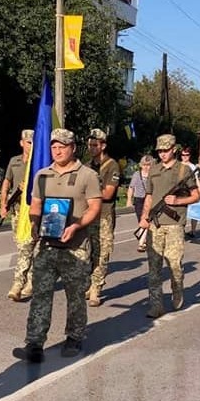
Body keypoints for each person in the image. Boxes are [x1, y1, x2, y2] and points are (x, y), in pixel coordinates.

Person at [14, 129, 101, 363]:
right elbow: (36, 205)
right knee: (41, 294)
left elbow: (94, 207)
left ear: (73, 147)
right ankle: (34, 343)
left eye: (62, 145)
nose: (57, 150)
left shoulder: (87, 175)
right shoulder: (42, 175)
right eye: (54, 146)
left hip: (76, 245)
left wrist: (76, 225)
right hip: (47, 245)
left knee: (75, 296)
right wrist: (34, 224)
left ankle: (74, 336)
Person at [138, 134, 200, 318]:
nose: (163, 154)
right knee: (154, 266)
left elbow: (196, 196)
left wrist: (178, 200)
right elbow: (149, 196)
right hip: (154, 225)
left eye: (166, 150)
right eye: (160, 151)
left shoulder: (184, 171)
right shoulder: (154, 170)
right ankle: (156, 305)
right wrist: (144, 217)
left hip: (174, 225)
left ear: (174, 149)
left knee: (174, 265)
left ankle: (177, 289)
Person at [1, 129, 35, 302]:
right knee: (22, 247)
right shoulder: (14, 161)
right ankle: (30, 280)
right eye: (28, 142)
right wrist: (2, 204)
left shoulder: (39, 162)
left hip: (32, 211)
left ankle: (20, 282)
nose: (31, 145)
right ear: (22, 143)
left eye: (33, 142)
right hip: (16, 210)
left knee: (26, 247)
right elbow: (7, 182)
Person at [87, 128, 120, 307]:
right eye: (90, 145)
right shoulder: (87, 166)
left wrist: (87, 191)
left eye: (95, 145)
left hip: (104, 216)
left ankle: (96, 288)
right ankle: (89, 283)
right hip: (87, 216)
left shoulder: (112, 165)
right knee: (87, 253)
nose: (92, 148)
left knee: (102, 253)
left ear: (103, 145)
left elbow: (107, 194)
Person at [126, 154, 153, 252]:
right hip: (139, 200)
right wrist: (129, 199)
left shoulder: (153, 175)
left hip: (150, 199)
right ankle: (144, 239)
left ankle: (142, 243)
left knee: (146, 219)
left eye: (149, 165)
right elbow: (131, 187)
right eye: (144, 165)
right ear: (141, 165)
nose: (146, 167)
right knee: (141, 220)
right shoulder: (137, 174)